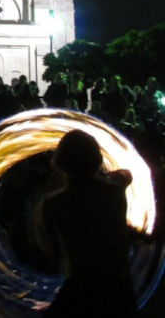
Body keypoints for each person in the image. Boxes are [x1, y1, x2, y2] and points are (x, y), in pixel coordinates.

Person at [40, 129, 137, 316]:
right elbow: (127, 174)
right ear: (98, 158)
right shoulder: (114, 190)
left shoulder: (54, 203)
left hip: (81, 290)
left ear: (60, 163)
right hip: (119, 291)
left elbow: (55, 256)